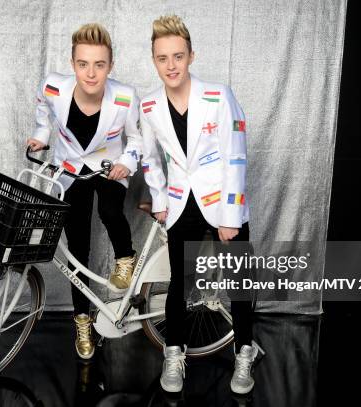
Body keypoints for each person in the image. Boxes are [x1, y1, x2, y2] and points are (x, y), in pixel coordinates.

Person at [139, 15, 264, 393]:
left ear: (192, 55)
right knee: (179, 282)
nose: (171, 65)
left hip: (222, 201)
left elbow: (236, 155)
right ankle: (174, 353)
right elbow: (150, 158)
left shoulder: (218, 96)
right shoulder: (148, 105)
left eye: (178, 56)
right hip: (180, 204)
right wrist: (160, 201)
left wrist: (229, 216)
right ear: (154, 60)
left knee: (240, 280)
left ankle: (244, 352)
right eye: (163, 58)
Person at [26, 23, 141, 360]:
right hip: (70, 172)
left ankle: (125, 259)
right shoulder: (52, 88)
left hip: (108, 169)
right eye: (83, 64)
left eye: (100, 65)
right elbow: (44, 119)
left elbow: (135, 140)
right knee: (78, 249)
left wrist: (127, 163)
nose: (91, 73)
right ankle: (82, 321)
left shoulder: (124, 97)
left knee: (109, 209)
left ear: (111, 65)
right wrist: (40, 138)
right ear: (72, 62)